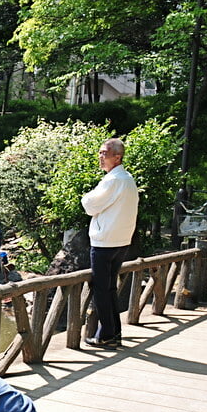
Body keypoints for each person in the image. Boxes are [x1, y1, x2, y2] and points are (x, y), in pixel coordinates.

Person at [82, 137, 138, 349]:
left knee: (102, 290)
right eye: (100, 152)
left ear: (118, 156)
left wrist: (87, 197)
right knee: (110, 289)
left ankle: (105, 335)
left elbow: (89, 205)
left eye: (105, 153)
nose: (101, 157)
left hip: (105, 243)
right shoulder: (127, 178)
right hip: (121, 241)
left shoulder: (113, 180)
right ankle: (114, 333)